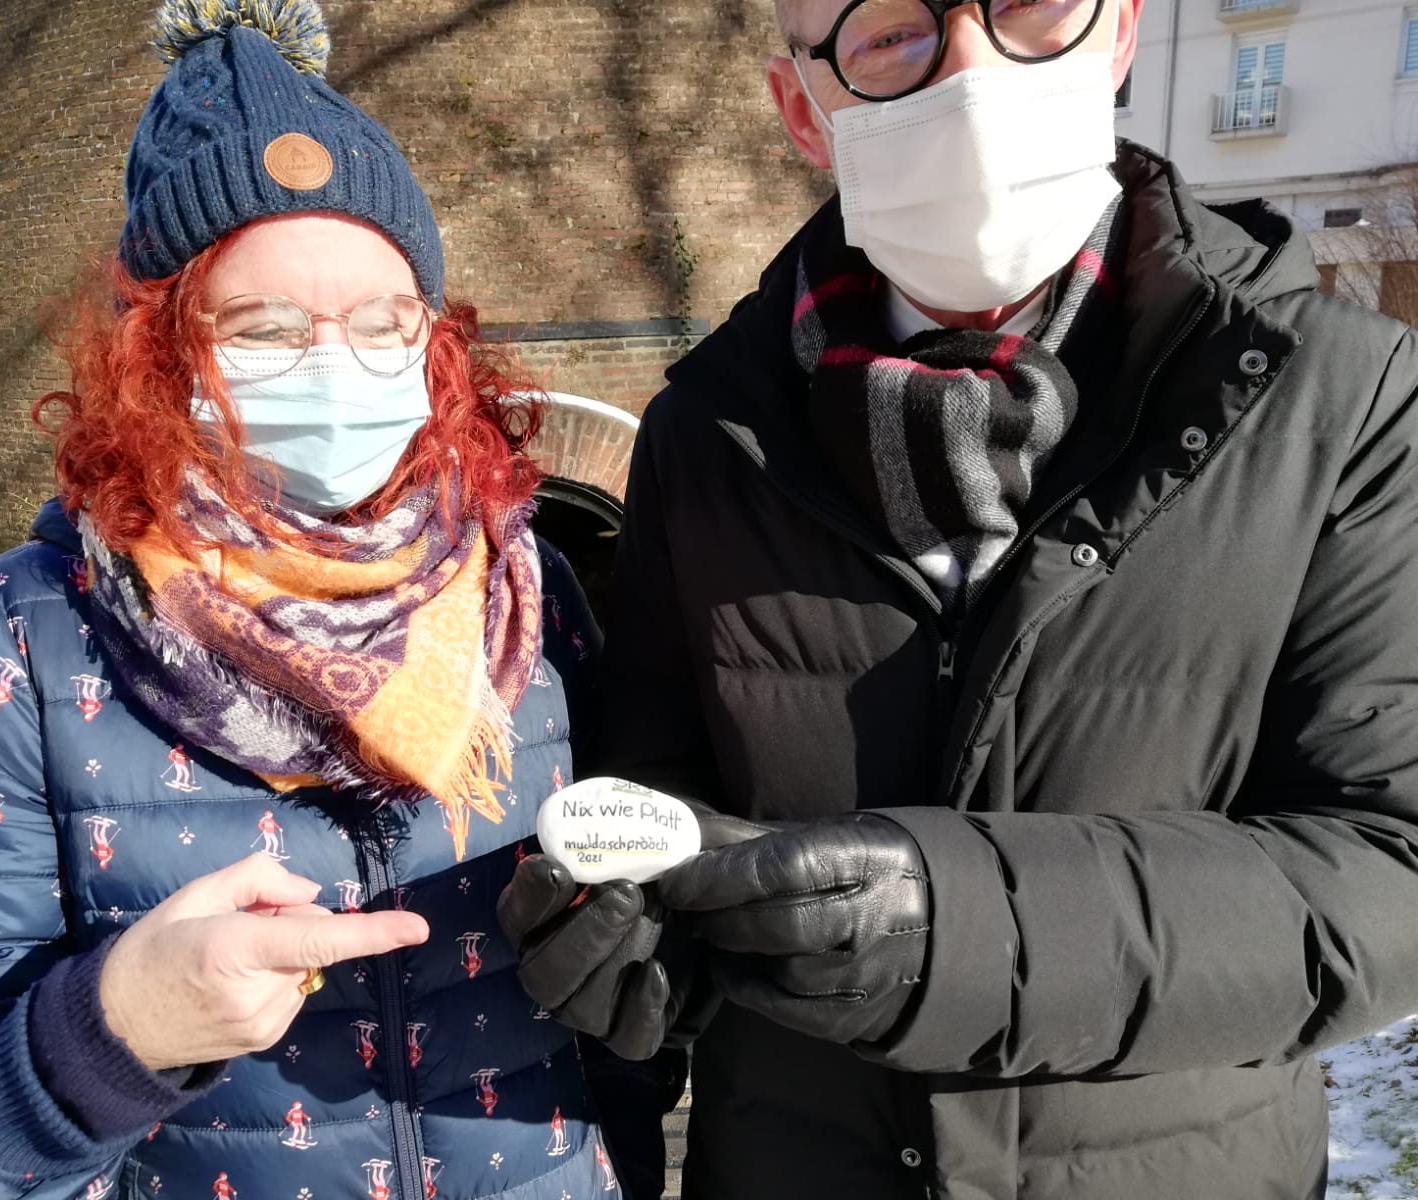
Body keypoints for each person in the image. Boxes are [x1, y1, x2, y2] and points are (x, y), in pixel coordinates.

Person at [499, 0, 1418, 1197]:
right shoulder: (708, 432)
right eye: (893, 34)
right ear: (803, 111)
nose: (973, 73)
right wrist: (639, 935)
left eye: (1031, 9)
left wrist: (963, 928)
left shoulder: (1336, 397)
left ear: (1122, 32)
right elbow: (660, 786)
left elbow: (1386, 868)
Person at [0, 2, 616, 1198]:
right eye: (259, 329)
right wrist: (116, 1030)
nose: (333, 362)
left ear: (432, 340)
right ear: (162, 357)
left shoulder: (529, 598)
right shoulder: (20, 642)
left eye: (380, 321)